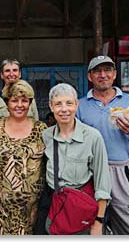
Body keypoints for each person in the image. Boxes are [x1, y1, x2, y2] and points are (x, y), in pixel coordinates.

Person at [76, 55, 129, 235]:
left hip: (119, 170)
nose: (103, 75)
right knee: (91, 225)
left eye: (107, 70)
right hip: (90, 173)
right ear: (89, 76)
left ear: (114, 74)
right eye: (97, 71)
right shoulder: (80, 105)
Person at [37, 83, 111, 235]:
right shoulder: (46, 136)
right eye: (58, 104)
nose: (64, 109)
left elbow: (103, 182)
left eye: (69, 103)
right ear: (51, 107)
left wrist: (98, 222)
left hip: (81, 208)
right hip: (55, 205)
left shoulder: (92, 136)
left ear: (77, 105)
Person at [0, 80, 47, 235]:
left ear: (30, 103)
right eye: (14, 100)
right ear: (7, 102)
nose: (19, 105)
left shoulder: (41, 129)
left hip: (32, 209)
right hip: (0, 209)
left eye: (24, 101)